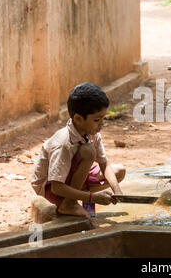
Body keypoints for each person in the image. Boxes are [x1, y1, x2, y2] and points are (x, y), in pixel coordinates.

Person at [31, 82, 126, 219]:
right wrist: (92, 197)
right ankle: (68, 204)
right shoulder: (63, 143)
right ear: (78, 119)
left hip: (71, 179)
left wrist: (117, 190)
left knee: (119, 171)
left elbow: (104, 164)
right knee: (88, 152)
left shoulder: (92, 133)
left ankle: (76, 197)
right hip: (50, 188)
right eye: (97, 120)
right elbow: (56, 187)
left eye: (103, 118)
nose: (102, 124)